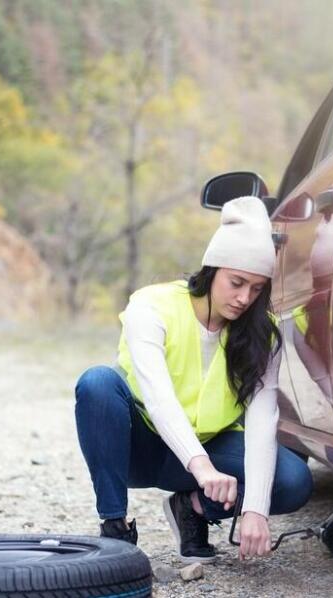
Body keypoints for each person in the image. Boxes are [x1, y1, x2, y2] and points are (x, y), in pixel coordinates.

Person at [74, 196, 314, 563]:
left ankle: (193, 510)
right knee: (97, 383)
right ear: (212, 269)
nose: (244, 298)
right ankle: (115, 528)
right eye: (236, 282)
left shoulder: (260, 336)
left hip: (209, 453)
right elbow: (158, 397)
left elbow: (263, 419)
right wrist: (201, 468)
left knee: (294, 481)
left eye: (256, 288)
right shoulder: (152, 306)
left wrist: (255, 509)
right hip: (141, 447)